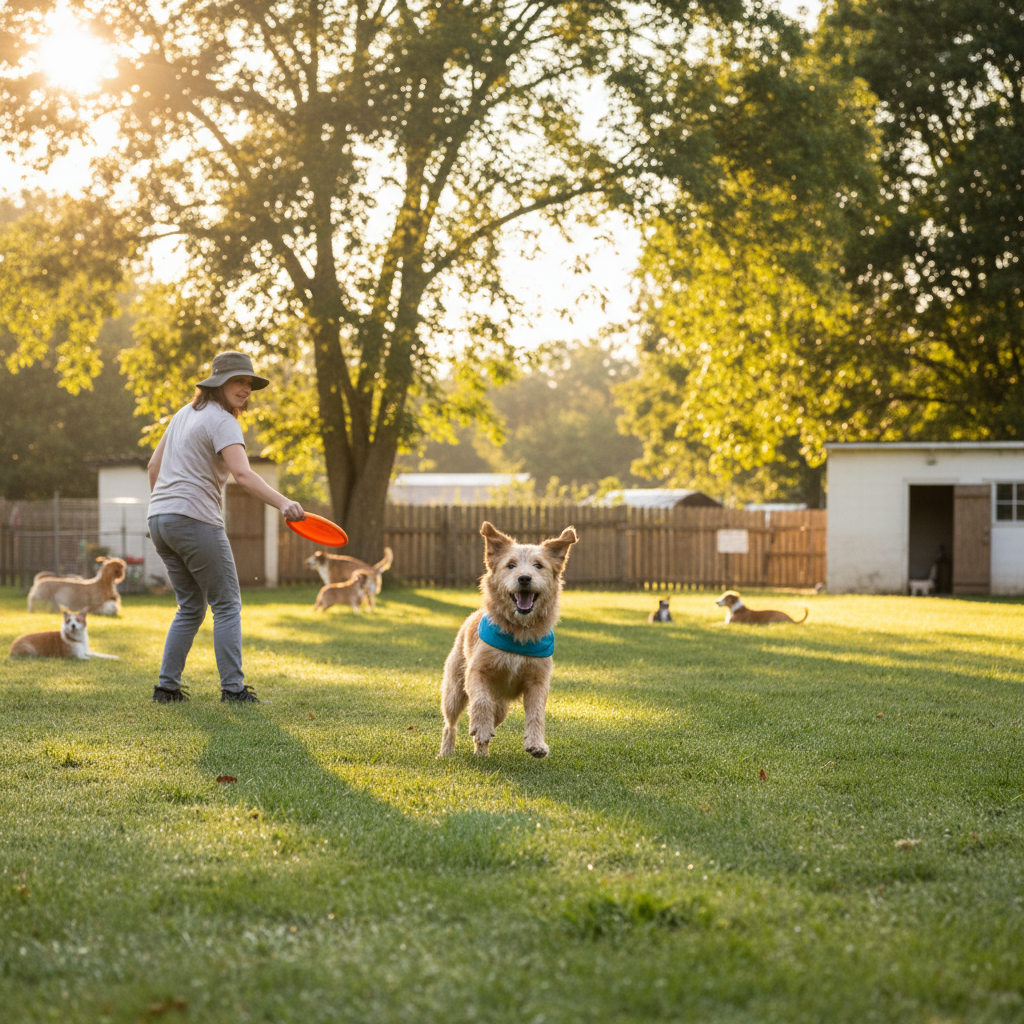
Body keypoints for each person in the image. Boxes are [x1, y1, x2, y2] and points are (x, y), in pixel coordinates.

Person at [146, 351, 305, 703]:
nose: (246, 389)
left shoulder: (182, 416)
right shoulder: (222, 421)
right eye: (238, 381)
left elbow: (153, 467)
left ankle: (166, 687)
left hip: (160, 520)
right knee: (227, 604)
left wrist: (161, 507)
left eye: (249, 383)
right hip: (194, 519)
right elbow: (243, 474)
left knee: (190, 606)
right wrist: (284, 503)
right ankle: (233, 690)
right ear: (218, 384)